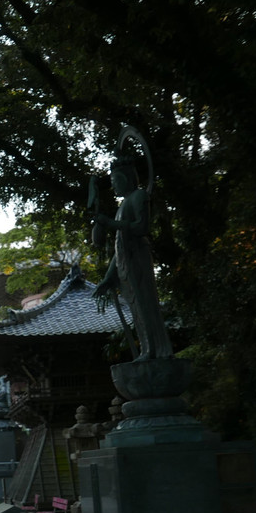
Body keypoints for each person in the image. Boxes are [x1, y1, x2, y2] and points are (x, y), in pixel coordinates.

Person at [91, 155, 174, 361]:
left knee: (145, 302)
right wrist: (109, 276)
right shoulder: (122, 206)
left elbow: (141, 227)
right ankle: (147, 348)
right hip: (125, 259)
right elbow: (118, 247)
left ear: (128, 178)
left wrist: (111, 223)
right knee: (136, 307)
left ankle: (156, 350)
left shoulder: (139, 196)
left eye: (115, 181)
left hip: (138, 255)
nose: (114, 186)